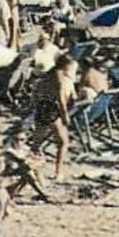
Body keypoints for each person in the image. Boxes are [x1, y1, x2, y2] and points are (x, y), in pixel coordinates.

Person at [28, 53, 77, 182]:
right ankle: (58, 172)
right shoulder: (60, 78)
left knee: (36, 145)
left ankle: (33, 171)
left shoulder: (47, 75)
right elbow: (61, 99)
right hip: (52, 111)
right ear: (67, 66)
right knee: (62, 143)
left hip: (41, 108)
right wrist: (65, 115)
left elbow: (35, 94)